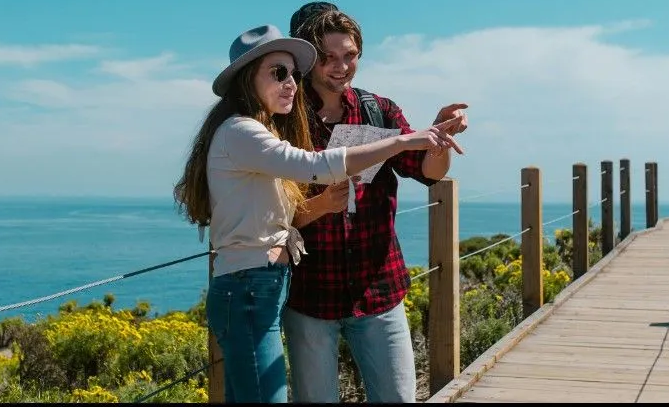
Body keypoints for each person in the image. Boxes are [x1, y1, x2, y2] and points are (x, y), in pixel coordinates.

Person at [174, 23, 463, 404]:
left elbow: (426, 171)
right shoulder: (260, 129)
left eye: (291, 72)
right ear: (248, 78)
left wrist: (434, 139)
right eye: (280, 73)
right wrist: (404, 140)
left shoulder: (370, 110)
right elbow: (315, 165)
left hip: (345, 288)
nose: (290, 82)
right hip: (287, 293)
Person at [284, 3, 469, 403]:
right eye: (328, 58)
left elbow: (428, 171)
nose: (341, 66)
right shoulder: (285, 118)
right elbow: (271, 211)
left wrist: (438, 136)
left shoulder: (379, 110)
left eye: (349, 56)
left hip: (379, 289)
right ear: (308, 60)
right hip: (312, 294)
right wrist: (320, 206)